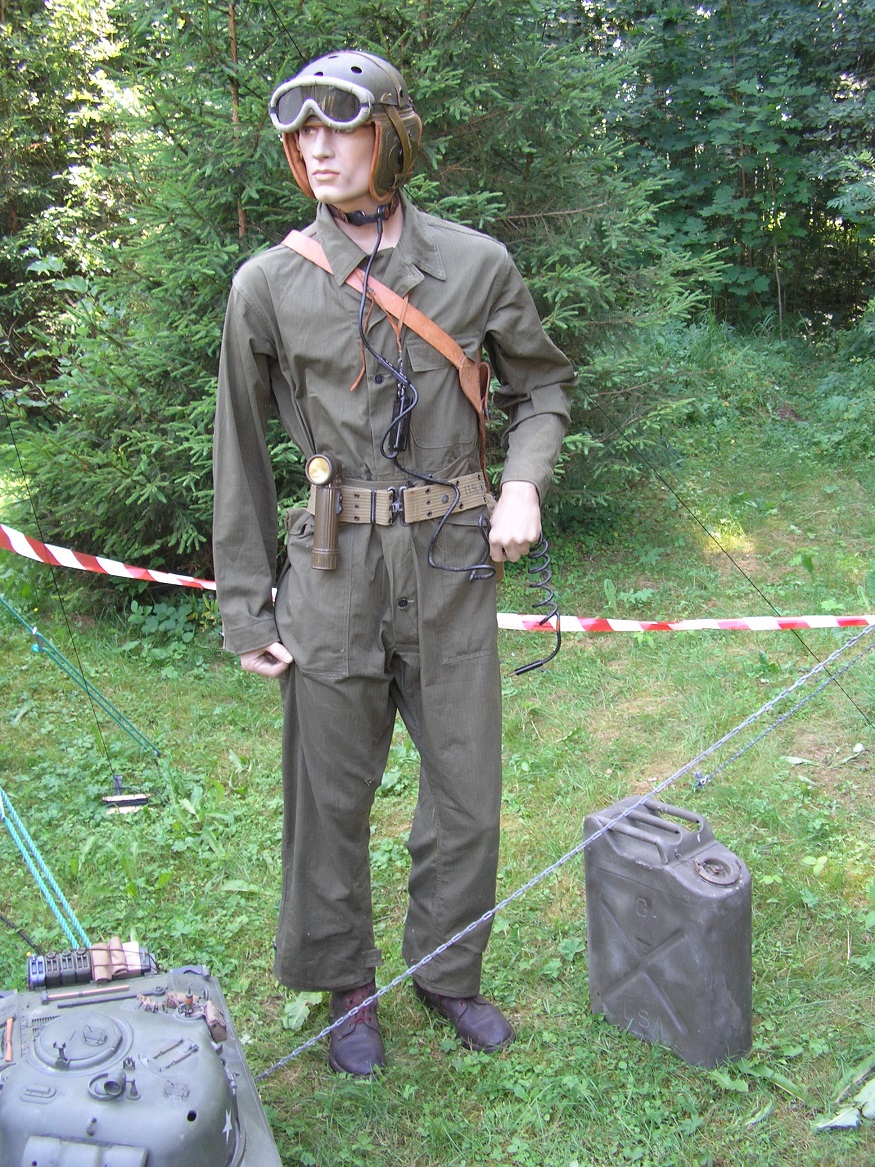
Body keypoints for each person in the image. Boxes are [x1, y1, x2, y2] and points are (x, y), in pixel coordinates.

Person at [212, 49, 575, 1077]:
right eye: (302, 134)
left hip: (452, 562)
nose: (317, 149)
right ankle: (346, 984)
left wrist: (521, 483)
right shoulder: (267, 283)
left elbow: (542, 390)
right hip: (331, 569)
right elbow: (239, 449)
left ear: (393, 135)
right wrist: (247, 608)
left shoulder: (475, 264)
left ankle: (446, 971)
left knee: (466, 793)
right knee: (328, 797)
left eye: (339, 126)